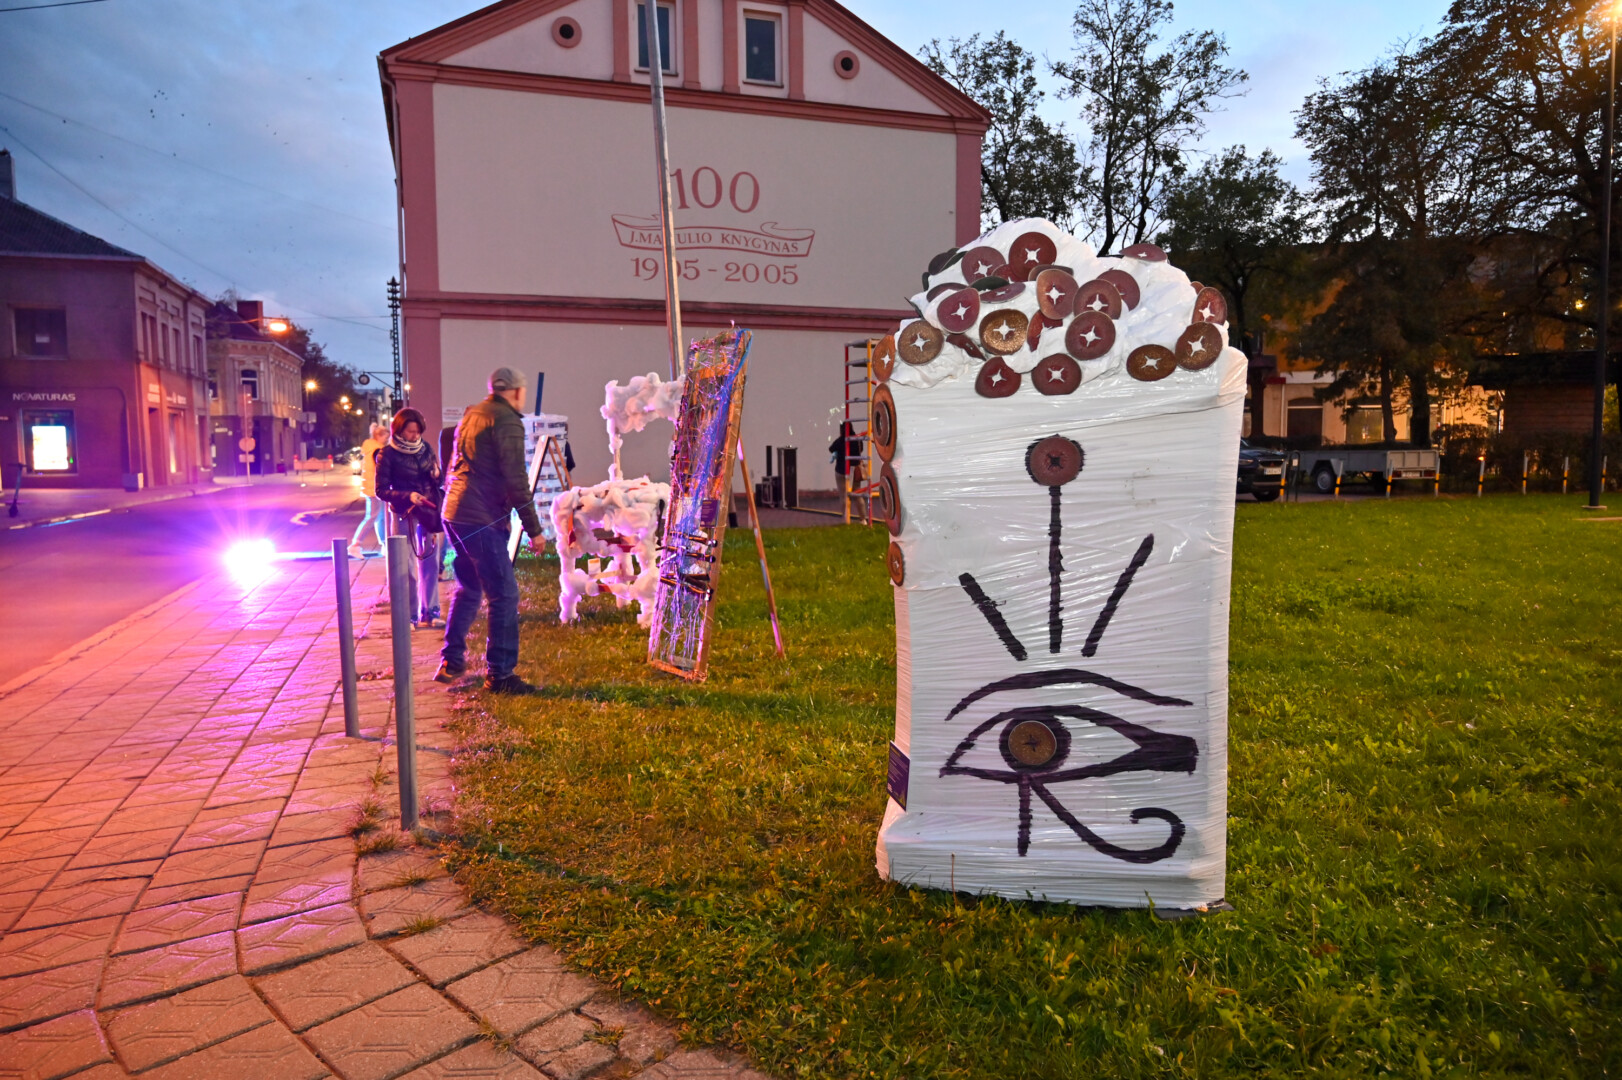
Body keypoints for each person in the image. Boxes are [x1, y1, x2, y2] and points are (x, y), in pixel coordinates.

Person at [437, 367, 546, 694]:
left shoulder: (474, 414)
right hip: (479, 518)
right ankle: (500, 676)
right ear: (517, 391)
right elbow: (516, 479)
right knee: (504, 594)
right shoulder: (506, 420)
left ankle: (452, 660)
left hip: (455, 513)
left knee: (470, 587)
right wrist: (534, 529)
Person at [375, 407, 444, 629]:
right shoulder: (387, 454)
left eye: (418, 432)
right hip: (403, 512)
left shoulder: (426, 448)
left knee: (431, 561)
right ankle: (409, 616)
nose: (415, 436)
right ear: (399, 430)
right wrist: (408, 496)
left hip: (428, 509)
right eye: (410, 432)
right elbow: (381, 490)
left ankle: (431, 611)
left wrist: (437, 475)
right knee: (406, 566)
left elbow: (437, 480)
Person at [349, 423, 388, 557]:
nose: (386, 440)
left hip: (372, 487)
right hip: (374, 488)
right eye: (385, 437)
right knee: (372, 517)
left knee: (379, 517)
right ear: (379, 436)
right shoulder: (377, 450)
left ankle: (384, 545)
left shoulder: (371, 448)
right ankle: (356, 544)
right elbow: (381, 469)